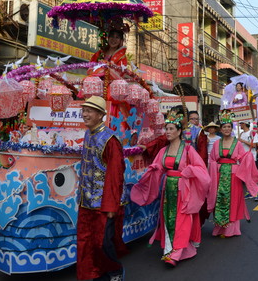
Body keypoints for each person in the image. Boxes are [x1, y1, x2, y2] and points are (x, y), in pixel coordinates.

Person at [130, 112, 210, 267]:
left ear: (179, 131)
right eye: (166, 128)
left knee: (182, 219)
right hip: (168, 190)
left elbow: (202, 169)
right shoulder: (163, 151)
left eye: (171, 128)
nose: (167, 131)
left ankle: (177, 252)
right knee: (168, 219)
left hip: (183, 190)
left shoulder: (188, 150)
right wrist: (153, 169)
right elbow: (159, 167)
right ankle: (170, 248)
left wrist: (189, 171)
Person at [76, 96, 127, 281]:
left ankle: (115, 271)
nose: (85, 114)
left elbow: (115, 175)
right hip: (87, 200)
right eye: (84, 110)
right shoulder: (88, 134)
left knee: (103, 242)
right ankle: (94, 272)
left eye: (89, 111)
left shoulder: (110, 140)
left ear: (100, 115)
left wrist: (111, 206)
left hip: (104, 202)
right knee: (87, 241)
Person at [207, 112, 258, 238]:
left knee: (233, 201)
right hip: (219, 175)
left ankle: (231, 229)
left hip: (233, 176)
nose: (227, 129)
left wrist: (248, 156)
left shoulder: (237, 143)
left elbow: (242, 159)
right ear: (221, 129)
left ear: (232, 128)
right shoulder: (216, 143)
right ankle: (219, 228)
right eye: (224, 127)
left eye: (229, 127)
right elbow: (212, 160)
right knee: (219, 200)